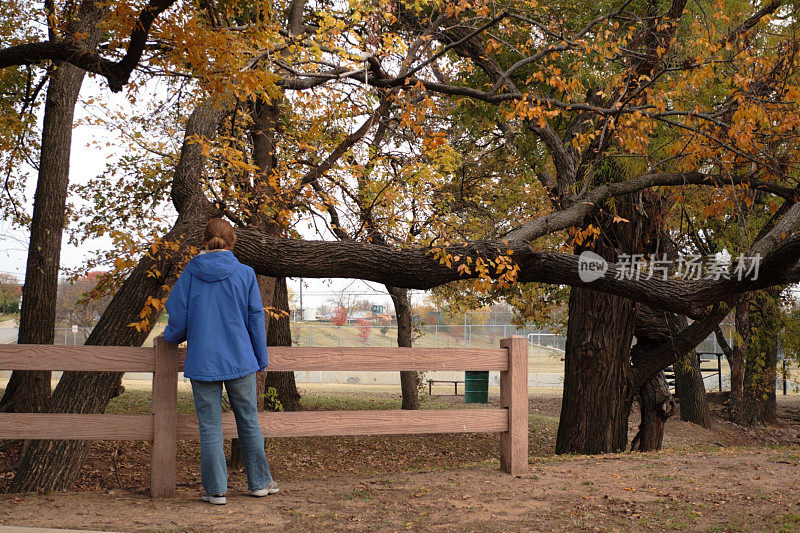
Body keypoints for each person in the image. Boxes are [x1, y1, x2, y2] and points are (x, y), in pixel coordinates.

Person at [164, 218, 278, 505]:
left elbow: (177, 316)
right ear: (231, 242)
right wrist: (260, 358)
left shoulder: (190, 274)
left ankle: (215, 491)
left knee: (210, 426)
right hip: (240, 358)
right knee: (249, 421)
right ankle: (260, 483)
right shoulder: (246, 274)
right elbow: (255, 318)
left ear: (204, 241)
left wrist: (172, 337)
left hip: (203, 361)